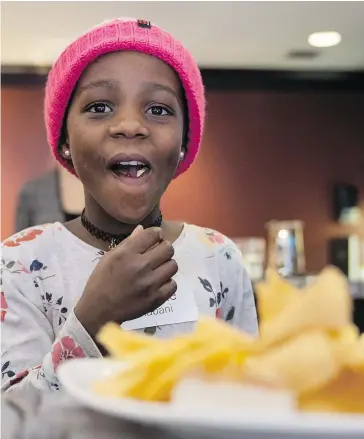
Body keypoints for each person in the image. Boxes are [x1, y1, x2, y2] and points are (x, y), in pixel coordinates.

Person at [1, 18, 258, 393]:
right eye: (100, 106)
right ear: (65, 140)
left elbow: (249, 399)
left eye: (158, 109)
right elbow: (12, 420)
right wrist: (92, 321)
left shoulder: (219, 258)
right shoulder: (20, 262)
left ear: (184, 142)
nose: (130, 125)